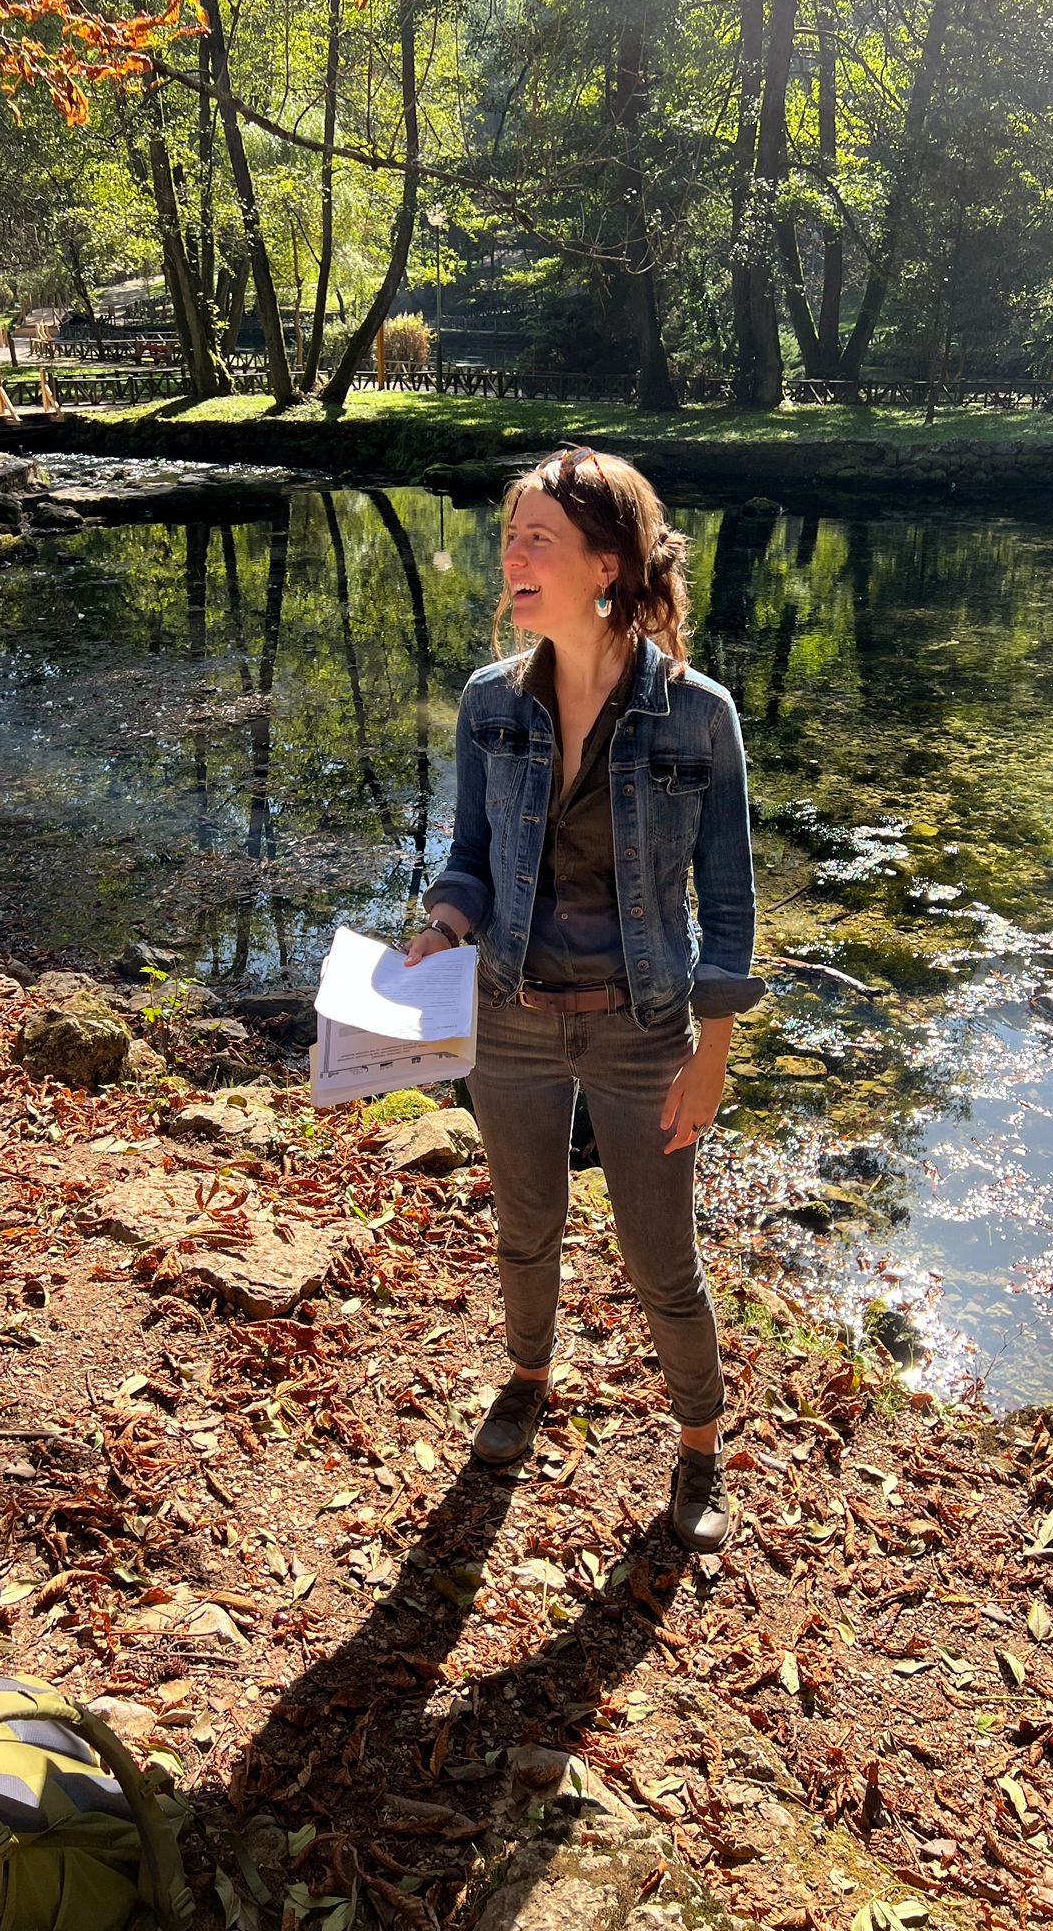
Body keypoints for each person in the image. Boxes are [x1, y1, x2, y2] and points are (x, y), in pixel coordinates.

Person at [405, 448, 763, 1553]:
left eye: (537, 539)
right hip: (508, 1017)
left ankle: (699, 1445)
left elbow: (734, 902)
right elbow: (468, 857)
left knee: (663, 1264)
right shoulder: (486, 703)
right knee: (525, 1227)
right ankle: (525, 1379)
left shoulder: (699, 716)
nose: (511, 555)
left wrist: (712, 1052)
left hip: (643, 1027)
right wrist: (439, 928)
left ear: (604, 565)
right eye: (510, 535)